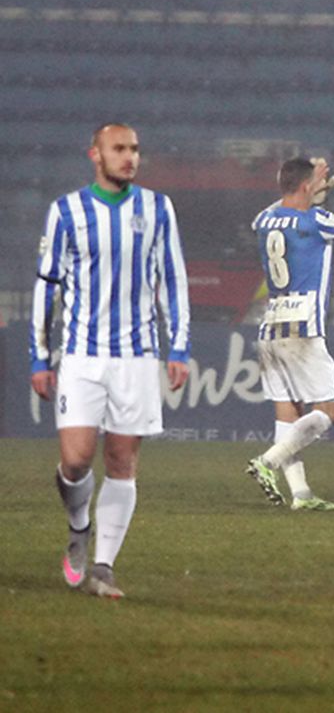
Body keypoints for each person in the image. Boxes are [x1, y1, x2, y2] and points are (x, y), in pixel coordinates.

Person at [32, 122, 191, 598]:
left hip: (137, 356)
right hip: (82, 354)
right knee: (76, 460)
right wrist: (40, 356)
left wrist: (178, 346)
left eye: (135, 149)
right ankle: (79, 525)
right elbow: (47, 286)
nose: (130, 157)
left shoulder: (158, 208)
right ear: (95, 155)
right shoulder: (66, 211)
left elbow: (173, 278)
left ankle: (103, 567)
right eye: (119, 148)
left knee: (122, 461)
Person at [244, 152, 334, 509]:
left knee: (288, 410)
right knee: (330, 411)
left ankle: (301, 494)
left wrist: (305, 187)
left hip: (270, 326)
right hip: (303, 327)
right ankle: (268, 461)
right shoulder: (315, 221)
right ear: (307, 187)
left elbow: (275, 208)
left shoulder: (266, 219)